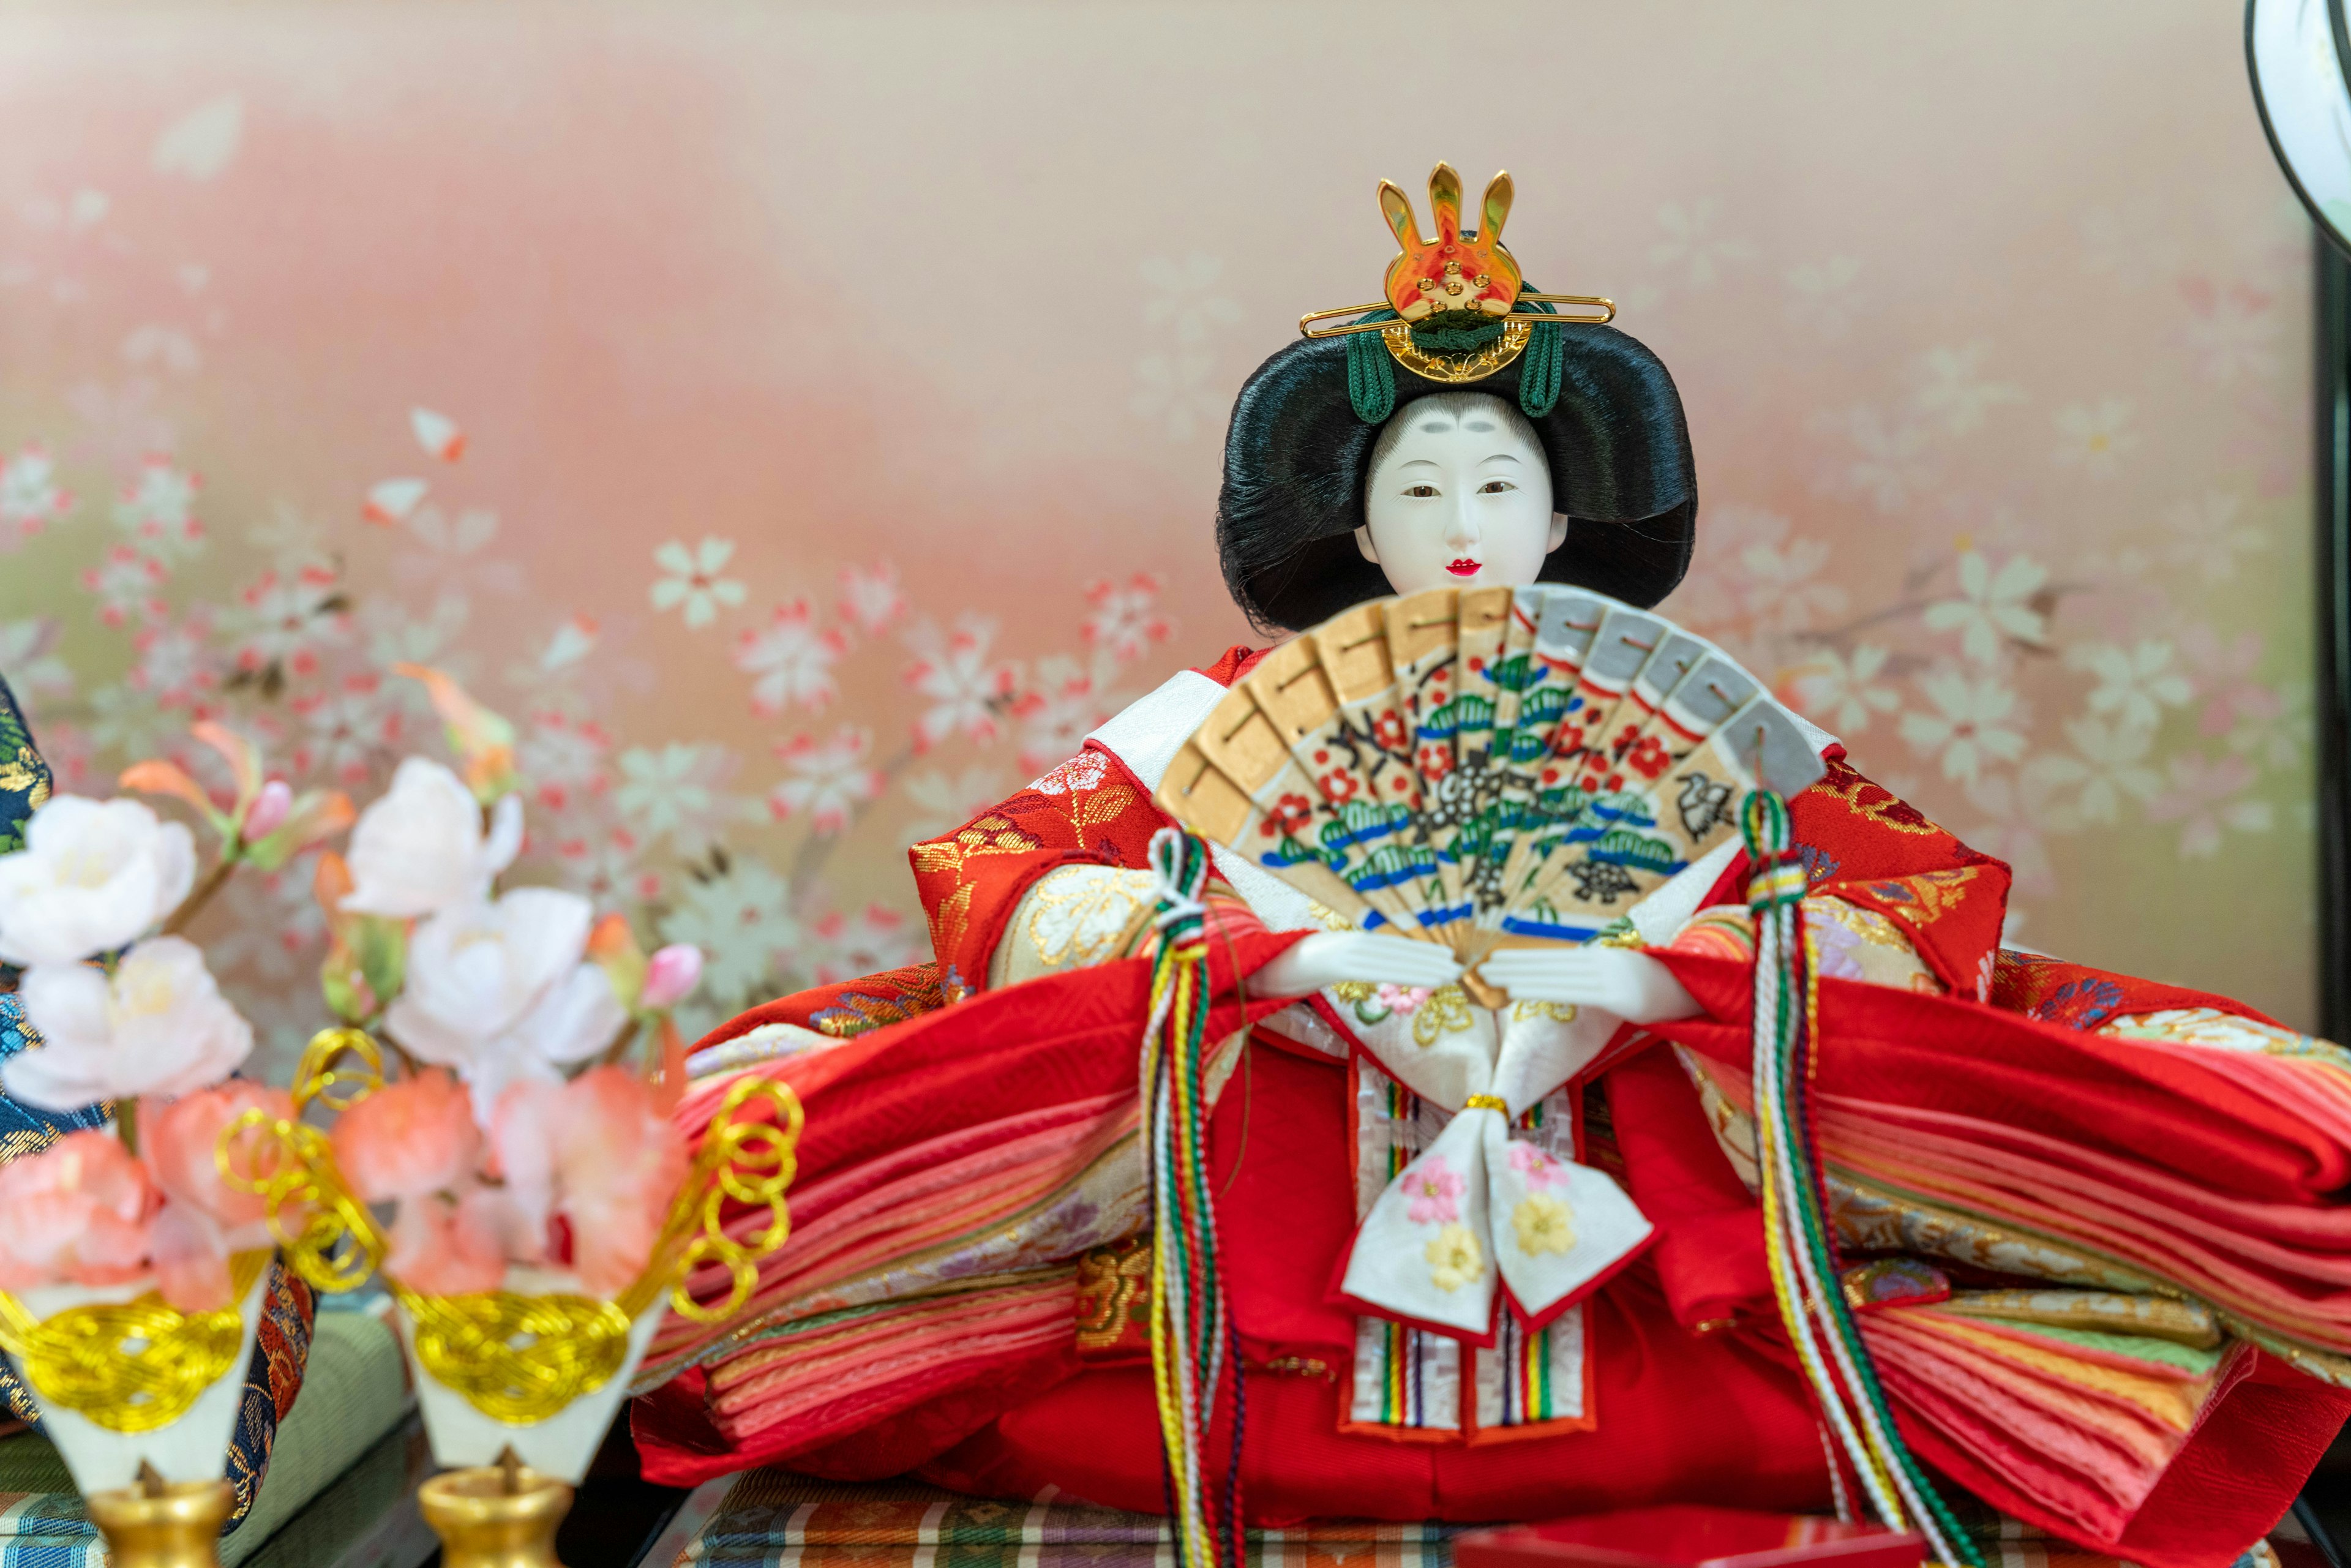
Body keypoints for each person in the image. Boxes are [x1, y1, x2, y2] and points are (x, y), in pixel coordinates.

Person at [632, 167, 2351, 1568]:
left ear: (1563, 518)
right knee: (860, 1126)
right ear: (1355, 530)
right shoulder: (1211, 722)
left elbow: (1910, 901)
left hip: (1621, 1110)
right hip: (1297, 1115)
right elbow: (1008, 871)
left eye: (1501, 477)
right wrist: (1260, 951)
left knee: (2025, 1109)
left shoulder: (1681, 719)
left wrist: (1671, 962)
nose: (1463, 514)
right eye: (1421, 479)